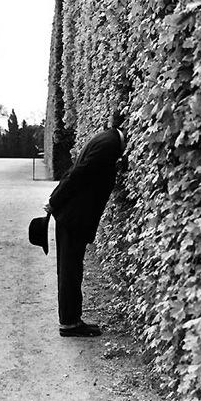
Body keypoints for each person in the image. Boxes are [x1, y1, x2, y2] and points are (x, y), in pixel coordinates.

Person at [44, 115, 127, 337]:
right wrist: (54, 201)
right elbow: (79, 174)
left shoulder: (105, 140)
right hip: (74, 217)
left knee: (70, 269)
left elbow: (79, 170)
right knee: (71, 270)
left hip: (71, 215)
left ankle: (70, 320)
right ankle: (70, 324)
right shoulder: (109, 145)